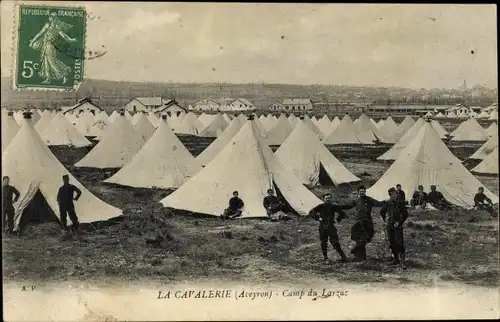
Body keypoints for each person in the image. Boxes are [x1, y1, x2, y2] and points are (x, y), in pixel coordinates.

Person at [339, 186, 385, 261]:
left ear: (365, 191)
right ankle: (360, 257)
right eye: (360, 191)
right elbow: (348, 206)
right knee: (359, 238)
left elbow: (378, 203)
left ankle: (355, 250)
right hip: (359, 221)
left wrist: (386, 202)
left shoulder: (369, 199)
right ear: (358, 192)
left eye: (363, 191)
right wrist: (338, 206)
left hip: (367, 221)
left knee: (368, 236)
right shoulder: (357, 200)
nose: (362, 192)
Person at [309, 193, 348, 263]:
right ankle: (325, 258)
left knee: (335, 242)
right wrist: (318, 218)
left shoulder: (334, 206)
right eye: (326, 198)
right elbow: (311, 212)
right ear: (323, 199)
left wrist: (337, 220)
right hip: (323, 226)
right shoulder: (320, 206)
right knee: (324, 243)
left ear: (331, 198)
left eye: (329, 198)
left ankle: (343, 257)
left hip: (331, 227)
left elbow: (342, 214)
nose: (327, 199)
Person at [380, 188, 408, 268]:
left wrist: (399, 222)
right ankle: (396, 259)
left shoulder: (401, 203)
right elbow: (382, 211)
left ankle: (403, 262)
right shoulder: (388, 203)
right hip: (389, 225)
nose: (393, 196)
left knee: (400, 243)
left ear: (396, 194)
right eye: (391, 195)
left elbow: (405, 214)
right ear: (389, 195)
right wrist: (385, 219)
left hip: (397, 226)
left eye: (394, 194)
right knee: (392, 243)